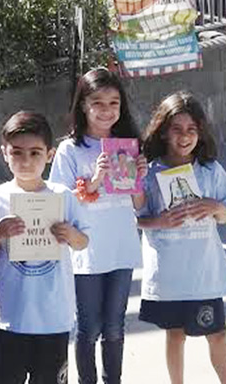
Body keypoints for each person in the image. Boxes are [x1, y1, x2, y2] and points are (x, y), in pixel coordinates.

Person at [48, 67, 147, 384]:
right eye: (98, 103)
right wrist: (95, 180)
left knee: (115, 325)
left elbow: (140, 206)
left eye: (114, 103)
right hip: (86, 251)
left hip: (122, 247)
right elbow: (60, 203)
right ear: (83, 106)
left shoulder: (129, 145)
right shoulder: (70, 149)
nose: (107, 111)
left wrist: (138, 179)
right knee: (88, 326)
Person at [0, 111, 89, 384]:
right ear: (4, 153)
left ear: (49, 155)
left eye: (35, 153)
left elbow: (84, 242)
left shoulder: (63, 197)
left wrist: (70, 234)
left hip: (53, 317)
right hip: (11, 317)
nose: (26, 161)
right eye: (17, 152)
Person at [137, 91, 226, 384]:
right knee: (175, 335)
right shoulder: (149, 173)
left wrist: (215, 206)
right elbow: (137, 219)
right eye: (177, 129)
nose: (184, 137)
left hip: (204, 274)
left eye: (191, 130)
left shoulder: (210, 170)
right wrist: (159, 220)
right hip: (170, 274)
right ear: (164, 132)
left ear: (200, 132)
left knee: (218, 335)